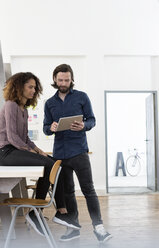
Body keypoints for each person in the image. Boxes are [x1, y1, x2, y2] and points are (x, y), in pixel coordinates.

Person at [0, 72, 80, 236]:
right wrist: (36, 154)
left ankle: (58, 211)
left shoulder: (24, 110)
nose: (34, 90)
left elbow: (25, 138)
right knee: (47, 163)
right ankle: (41, 212)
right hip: (5, 152)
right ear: (20, 87)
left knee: (55, 162)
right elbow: (12, 138)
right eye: (30, 87)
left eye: (35, 87)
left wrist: (40, 151)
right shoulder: (11, 105)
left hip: (16, 150)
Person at [43, 64, 112, 243]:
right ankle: (72, 229)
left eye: (67, 79)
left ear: (72, 79)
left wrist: (84, 125)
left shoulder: (82, 97)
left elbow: (92, 120)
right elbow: (45, 128)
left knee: (89, 189)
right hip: (60, 153)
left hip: (79, 151)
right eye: (60, 80)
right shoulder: (49, 103)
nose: (64, 83)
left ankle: (99, 228)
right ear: (55, 80)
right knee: (67, 192)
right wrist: (50, 128)